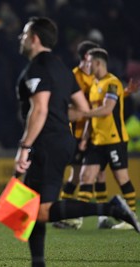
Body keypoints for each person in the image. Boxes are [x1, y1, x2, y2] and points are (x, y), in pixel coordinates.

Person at [14, 16, 140, 267]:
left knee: (39, 210)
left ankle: (110, 208)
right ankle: (37, 262)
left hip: (46, 143)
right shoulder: (62, 69)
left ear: (35, 39)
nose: (21, 38)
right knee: (28, 208)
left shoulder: (37, 68)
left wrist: (24, 147)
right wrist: (58, 114)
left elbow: (38, 110)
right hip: (61, 140)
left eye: (25, 34)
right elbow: (82, 108)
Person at [53, 40, 111, 230]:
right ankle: (66, 214)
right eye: (93, 58)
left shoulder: (98, 78)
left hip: (97, 132)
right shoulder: (74, 77)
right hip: (79, 133)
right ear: (87, 58)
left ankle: (102, 217)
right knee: (76, 175)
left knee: (99, 174)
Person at [79, 47, 138, 230]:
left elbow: (107, 109)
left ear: (97, 63)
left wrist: (83, 113)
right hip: (97, 140)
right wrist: (85, 136)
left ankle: (132, 217)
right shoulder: (94, 84)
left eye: (88, 62)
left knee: (121, 178)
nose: (86, 65)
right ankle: (80, 217)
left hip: (114, 140)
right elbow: (92, 114)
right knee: (87, 176)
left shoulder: (112, 82)